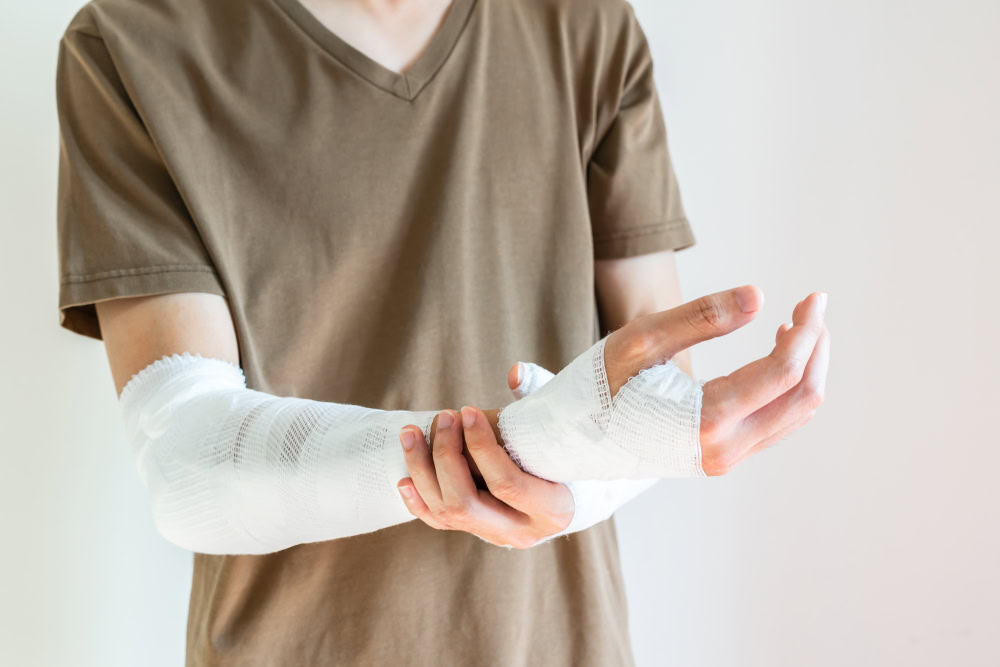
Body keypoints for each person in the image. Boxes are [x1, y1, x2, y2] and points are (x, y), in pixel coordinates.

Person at [54, 0, 830, 664]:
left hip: (555, 643)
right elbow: (192, 458)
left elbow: (648, 397)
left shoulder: (585, 25)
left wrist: (615, 458)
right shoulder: (130, 43)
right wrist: (533, 445)